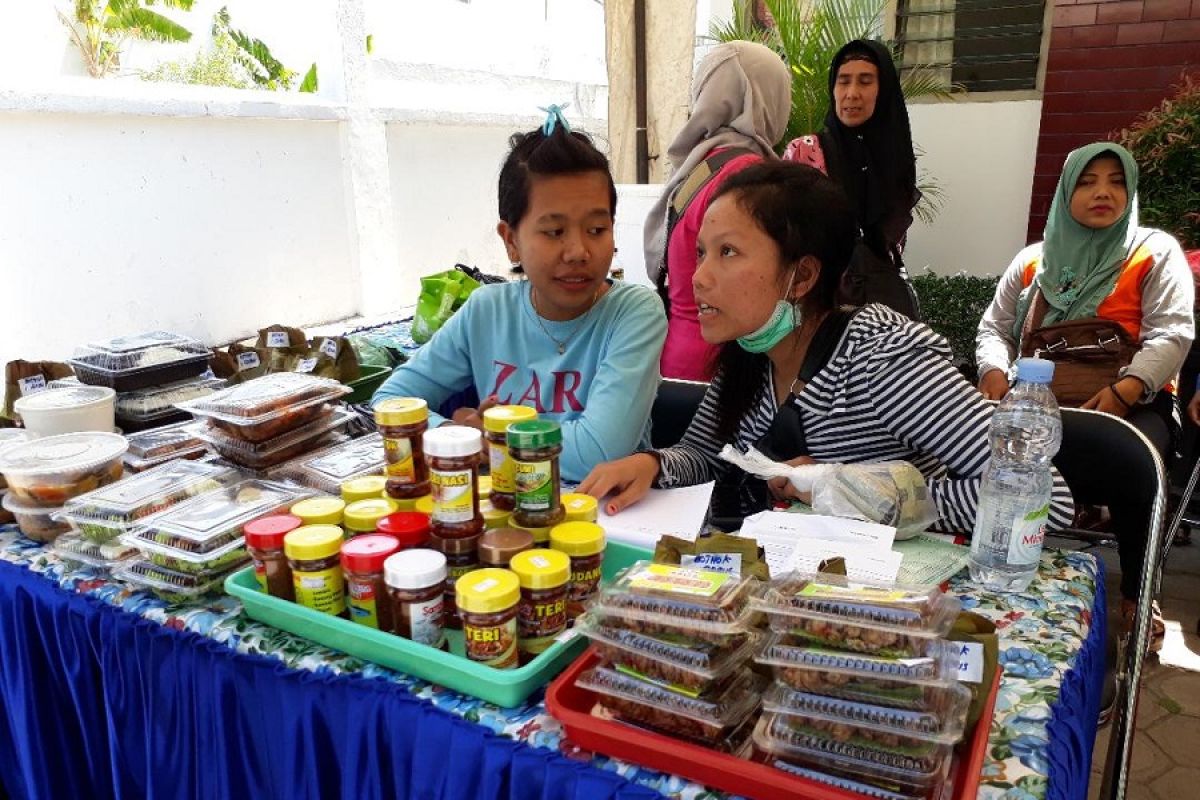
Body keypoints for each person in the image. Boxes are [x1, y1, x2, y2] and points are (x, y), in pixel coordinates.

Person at [581, 161, 1074, 534]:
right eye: (702, 253)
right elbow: (707, 457)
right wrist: (652, 464)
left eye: (728, 252)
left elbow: (1044, 499)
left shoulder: (883, 360)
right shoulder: (748, 354)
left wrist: (852, 491)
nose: (699, 278)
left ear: (803, 275)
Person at [372, 110, 667, 483]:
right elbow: (389, 403)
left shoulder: (633, 313)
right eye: (554, 232)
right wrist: (454, 433)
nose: (578, 251)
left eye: (596, 228)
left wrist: (487, 440)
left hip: (602, 524)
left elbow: (598, 452)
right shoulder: (486, 311)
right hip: (501, 519)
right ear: (511, 240)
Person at [976, 142, 1194, 646]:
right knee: (968, 442)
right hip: (1035, 400)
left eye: (1116, 181)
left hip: (1129, 400)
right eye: (1087, 181)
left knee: (1135, 460)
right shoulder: (1034, 261)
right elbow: (994, 328)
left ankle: (1140, 591)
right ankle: (993, 556)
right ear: (1066, 192)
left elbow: (1173, 334)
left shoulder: (1154, 252)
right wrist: (991, 371)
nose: (1102, 192)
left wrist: (1126, 390)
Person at [643, 41, 792, 382]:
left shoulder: (702, 164)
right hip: (723, 363)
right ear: (765, 96)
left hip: (678, 351)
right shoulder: (746, 175)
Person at [783, 40, 920, 319]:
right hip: (814, 312)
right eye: (843, 81)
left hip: (878, 317)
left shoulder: (896, 160)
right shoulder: (805, 152)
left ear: (883, 91)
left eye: (865, 81)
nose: (852, 93)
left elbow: (891, 248)